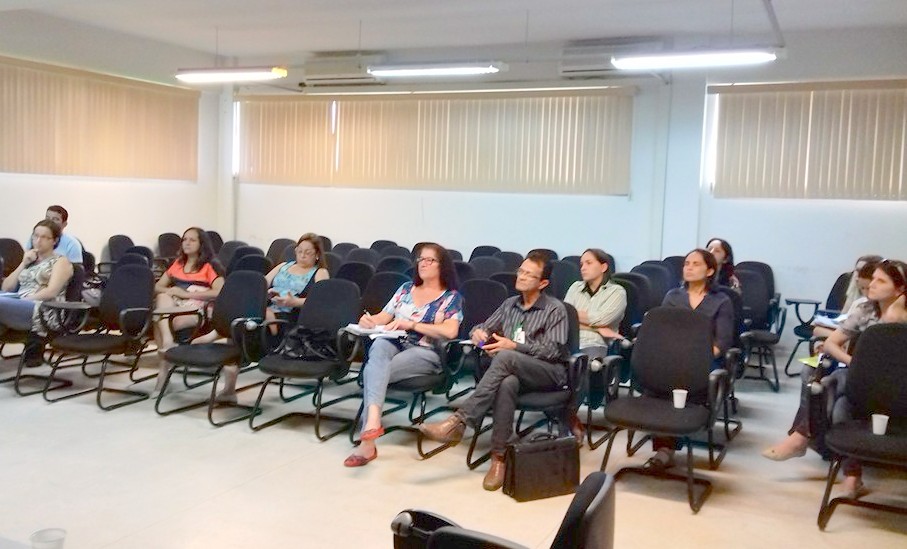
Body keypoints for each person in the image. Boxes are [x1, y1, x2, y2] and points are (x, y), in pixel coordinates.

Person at [419, 251, 568, 491]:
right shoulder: (510, 304)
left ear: (543, 283)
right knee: (507, 382)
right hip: (514, 371)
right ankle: (499, 458)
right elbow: (483, 328)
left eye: (529, 274)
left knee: (507, 357)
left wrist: (515, 346)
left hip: (549, 372)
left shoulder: (554, 309)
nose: (521, 277)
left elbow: (553, 351)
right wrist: (477, 334)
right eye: (521, 271)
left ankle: (460, 420)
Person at [762, 259, 907, 499]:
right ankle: (851, 475)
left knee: (833, 389)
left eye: (881, 281)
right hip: (857, 377)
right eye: (873, 279)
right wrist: (855, 364)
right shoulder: (865, 309)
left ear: (900, 288)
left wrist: (895, 315)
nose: (872, 284)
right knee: (829, 389)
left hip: (896, 386)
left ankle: (803, 437)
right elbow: (831, 343)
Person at [344, 243, 462, 467]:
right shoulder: (406, 289)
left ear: (442, 266)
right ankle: (373, 422)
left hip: (426, 352)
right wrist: (368, 320)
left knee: (373, 372)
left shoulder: (450, 297)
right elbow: (383, 317)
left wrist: (412, 325)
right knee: (379, 346)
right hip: (395, 342)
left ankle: (367, 442)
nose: (423, 264)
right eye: (421, 259)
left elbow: (450, 331)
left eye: (430, 260)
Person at [643, 248, 735, 472]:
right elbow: (661, 332)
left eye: (696, 264)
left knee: (684, 379)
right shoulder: (673, 297)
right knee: (659, 379)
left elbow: (721, 342)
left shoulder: (721, 301)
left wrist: (695, 360)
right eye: (686, 264)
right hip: (671, 359)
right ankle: (664, 447)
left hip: (705, 362)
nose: (689, 268)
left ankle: (671, 442)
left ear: (710, 270)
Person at [563, 248, 627, 440]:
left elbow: (603, 318)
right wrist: (600, 327)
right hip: (569, 339)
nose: (583, 267)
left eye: (589, 263)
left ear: (603, 266)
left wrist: (579, 318)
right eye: (582, 264)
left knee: (581, 365)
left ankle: (567, 418)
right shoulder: (575, 287)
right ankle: (566, 416)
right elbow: (564, 314)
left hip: (595, 344)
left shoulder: (617, 292)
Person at [151, 228, 224, 394]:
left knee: (162, 321)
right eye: (184, 239)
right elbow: (158, 287)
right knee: (162, 300)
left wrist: (186, 294)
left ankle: (163, 373)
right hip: (177, 306)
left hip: (199, 307)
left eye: (192, 240)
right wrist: (173, 291)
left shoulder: (209, 266)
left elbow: (220, 292)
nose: (187, 243)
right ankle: (168, 344)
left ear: (201, 244)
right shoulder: (178, 264)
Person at [1, 220, 74, 365]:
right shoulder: (30, 260)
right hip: (19, 303)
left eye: (44, 237)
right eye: (35, 236)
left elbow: (52, 292)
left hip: (43, 308)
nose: (38, 241)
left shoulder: (61, 262)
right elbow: (6, 288)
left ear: (54, 241)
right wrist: (23, 263)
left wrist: (26, 300)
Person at [263, 233, 330, 336]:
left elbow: (320, 301)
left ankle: (273, 335)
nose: (302, 256)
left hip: (292, 313)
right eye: (300, 251)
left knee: (263, 316)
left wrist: (295, 302)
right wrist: (267, 293)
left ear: (317, 255)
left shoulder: (320, 272)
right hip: (270, 306)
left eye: (308, 253)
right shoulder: (283, 266)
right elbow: (261, 285)